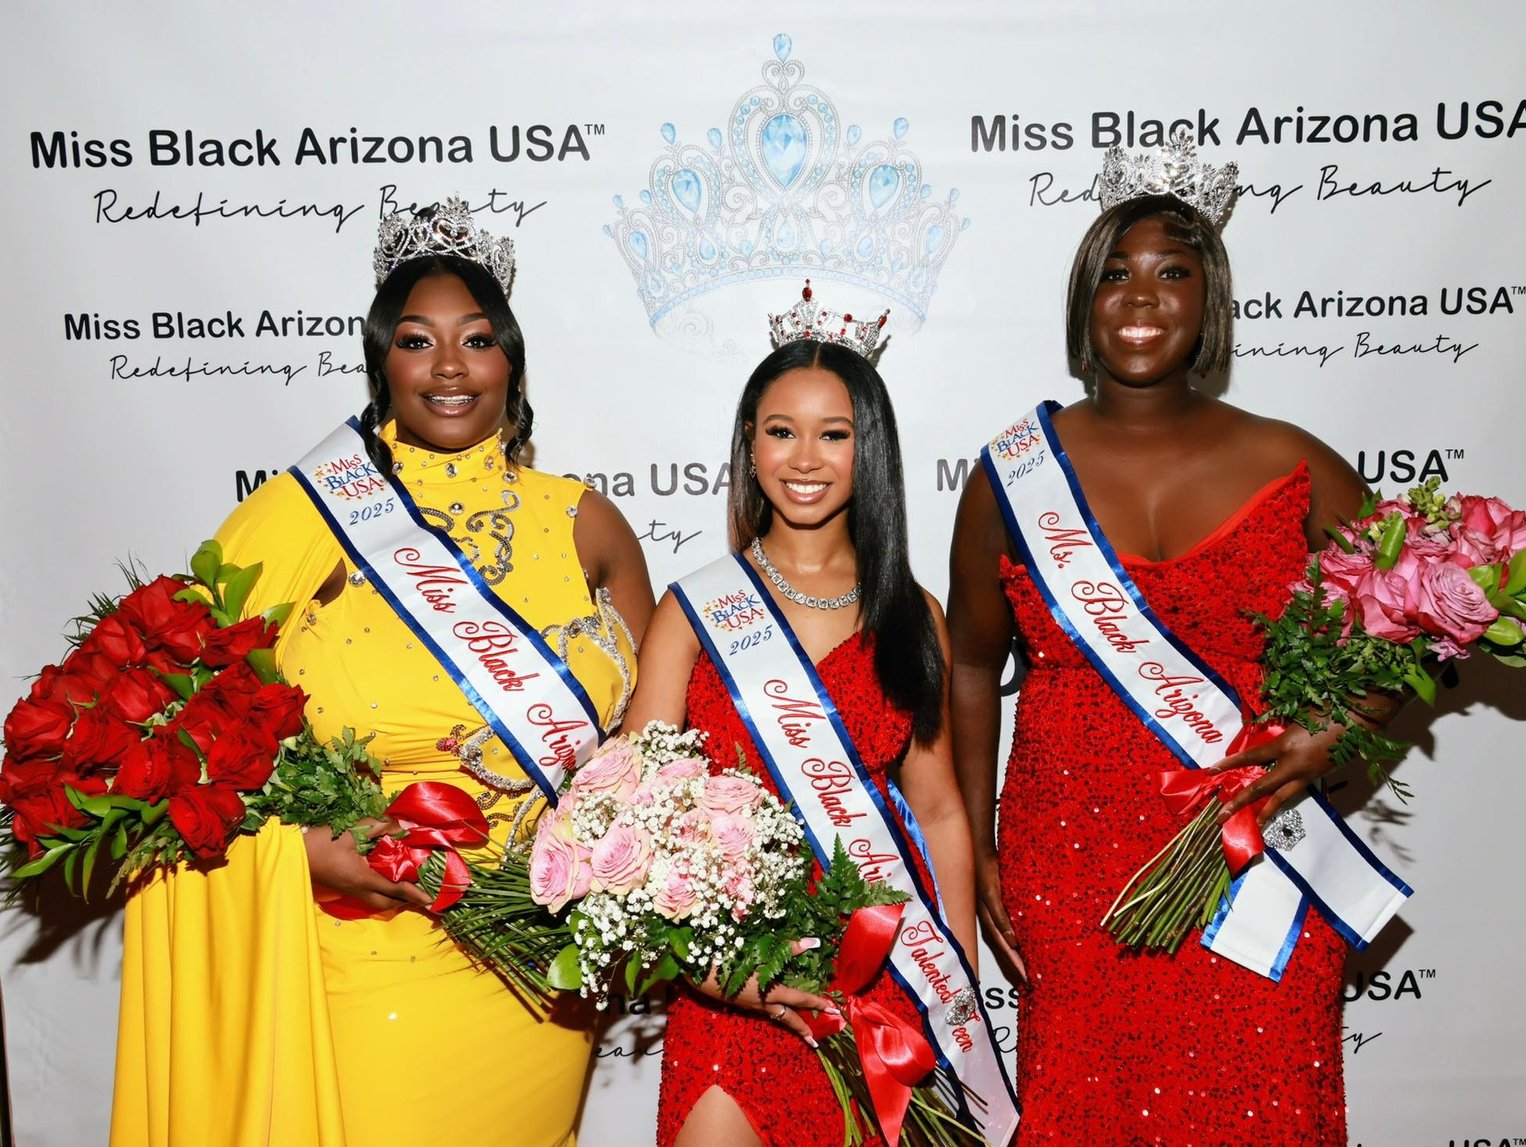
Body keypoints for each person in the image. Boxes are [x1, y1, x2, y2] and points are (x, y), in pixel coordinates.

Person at [110, 198, 653, 1147]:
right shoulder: (307, 515)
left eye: (477, 339)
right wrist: (307, 851)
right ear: (381, 362)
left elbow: (661, 758)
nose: (449, 367)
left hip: (539, 969)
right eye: (417, 340)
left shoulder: (587, 525)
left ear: (511, 360)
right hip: (365, 952)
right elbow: (157, 721)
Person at [947, 134, 1394, 1145]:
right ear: (1080, 300)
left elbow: (1413, 622)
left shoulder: (1292, 461)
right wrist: (977, 845)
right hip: (1068, 866)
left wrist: (1338, 732)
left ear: (1210, 299)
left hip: (1255, 863)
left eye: (1170, 273)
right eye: (1114, 274)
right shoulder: (1011, 475)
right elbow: (971, 664)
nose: (1140, 298)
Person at [623, 287, 1013, 1147]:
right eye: (780, 430)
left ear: (867, 449)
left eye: (834, 433)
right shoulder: (694, 611)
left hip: (877, 975)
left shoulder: (914, 613)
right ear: (749, 445)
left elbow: (941, 807)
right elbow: (630, 814)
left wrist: (954, 988)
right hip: (733, 987)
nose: (805, 457)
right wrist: (719, 973)